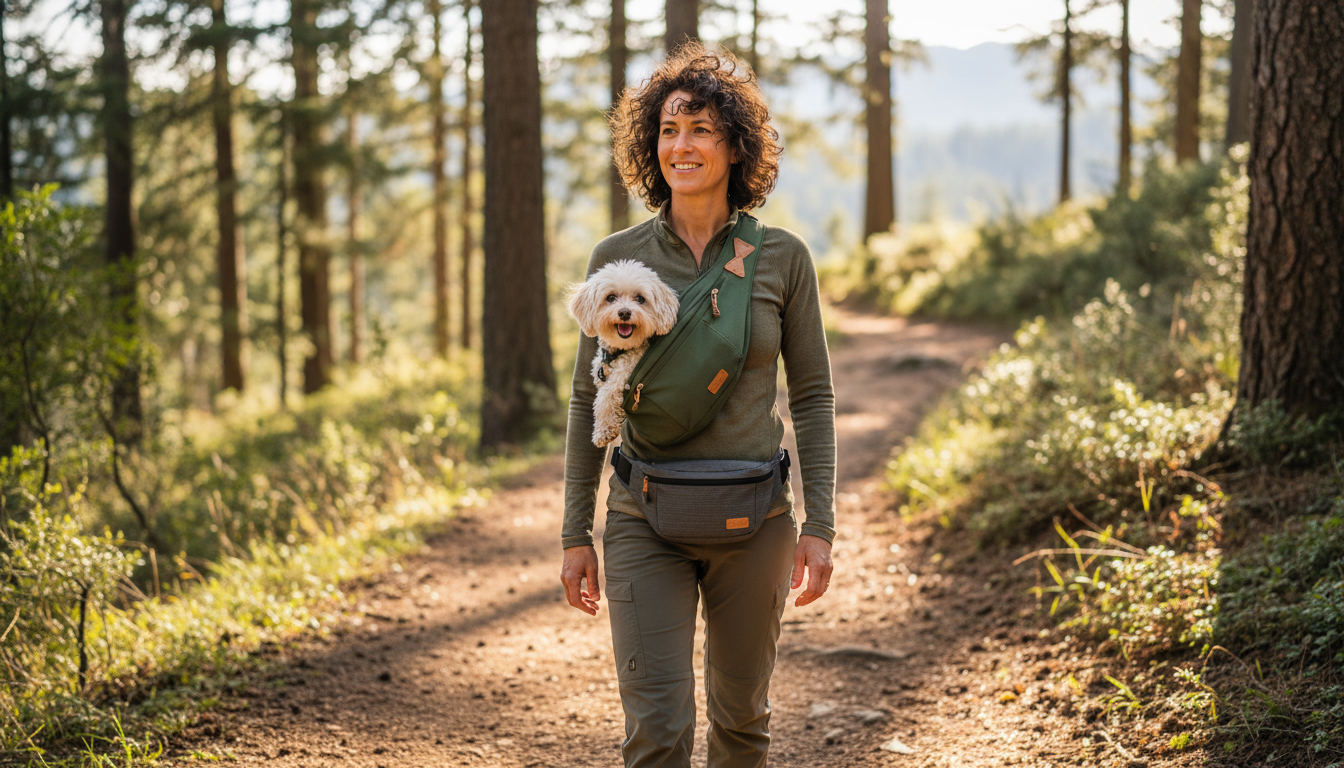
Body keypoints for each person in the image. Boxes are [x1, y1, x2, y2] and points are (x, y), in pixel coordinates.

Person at [559, 42, 836, 768]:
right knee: (656, 730)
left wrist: (821, 524)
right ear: (651, 146)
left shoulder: (781, 258)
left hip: (758, 522)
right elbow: (587, 397)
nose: (682, 146)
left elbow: (811, 395)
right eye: (669, 130)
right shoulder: (618, 258)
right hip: (643, 517)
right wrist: (573, 534)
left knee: (743, 724)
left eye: (702, 129)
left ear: (737, 146)